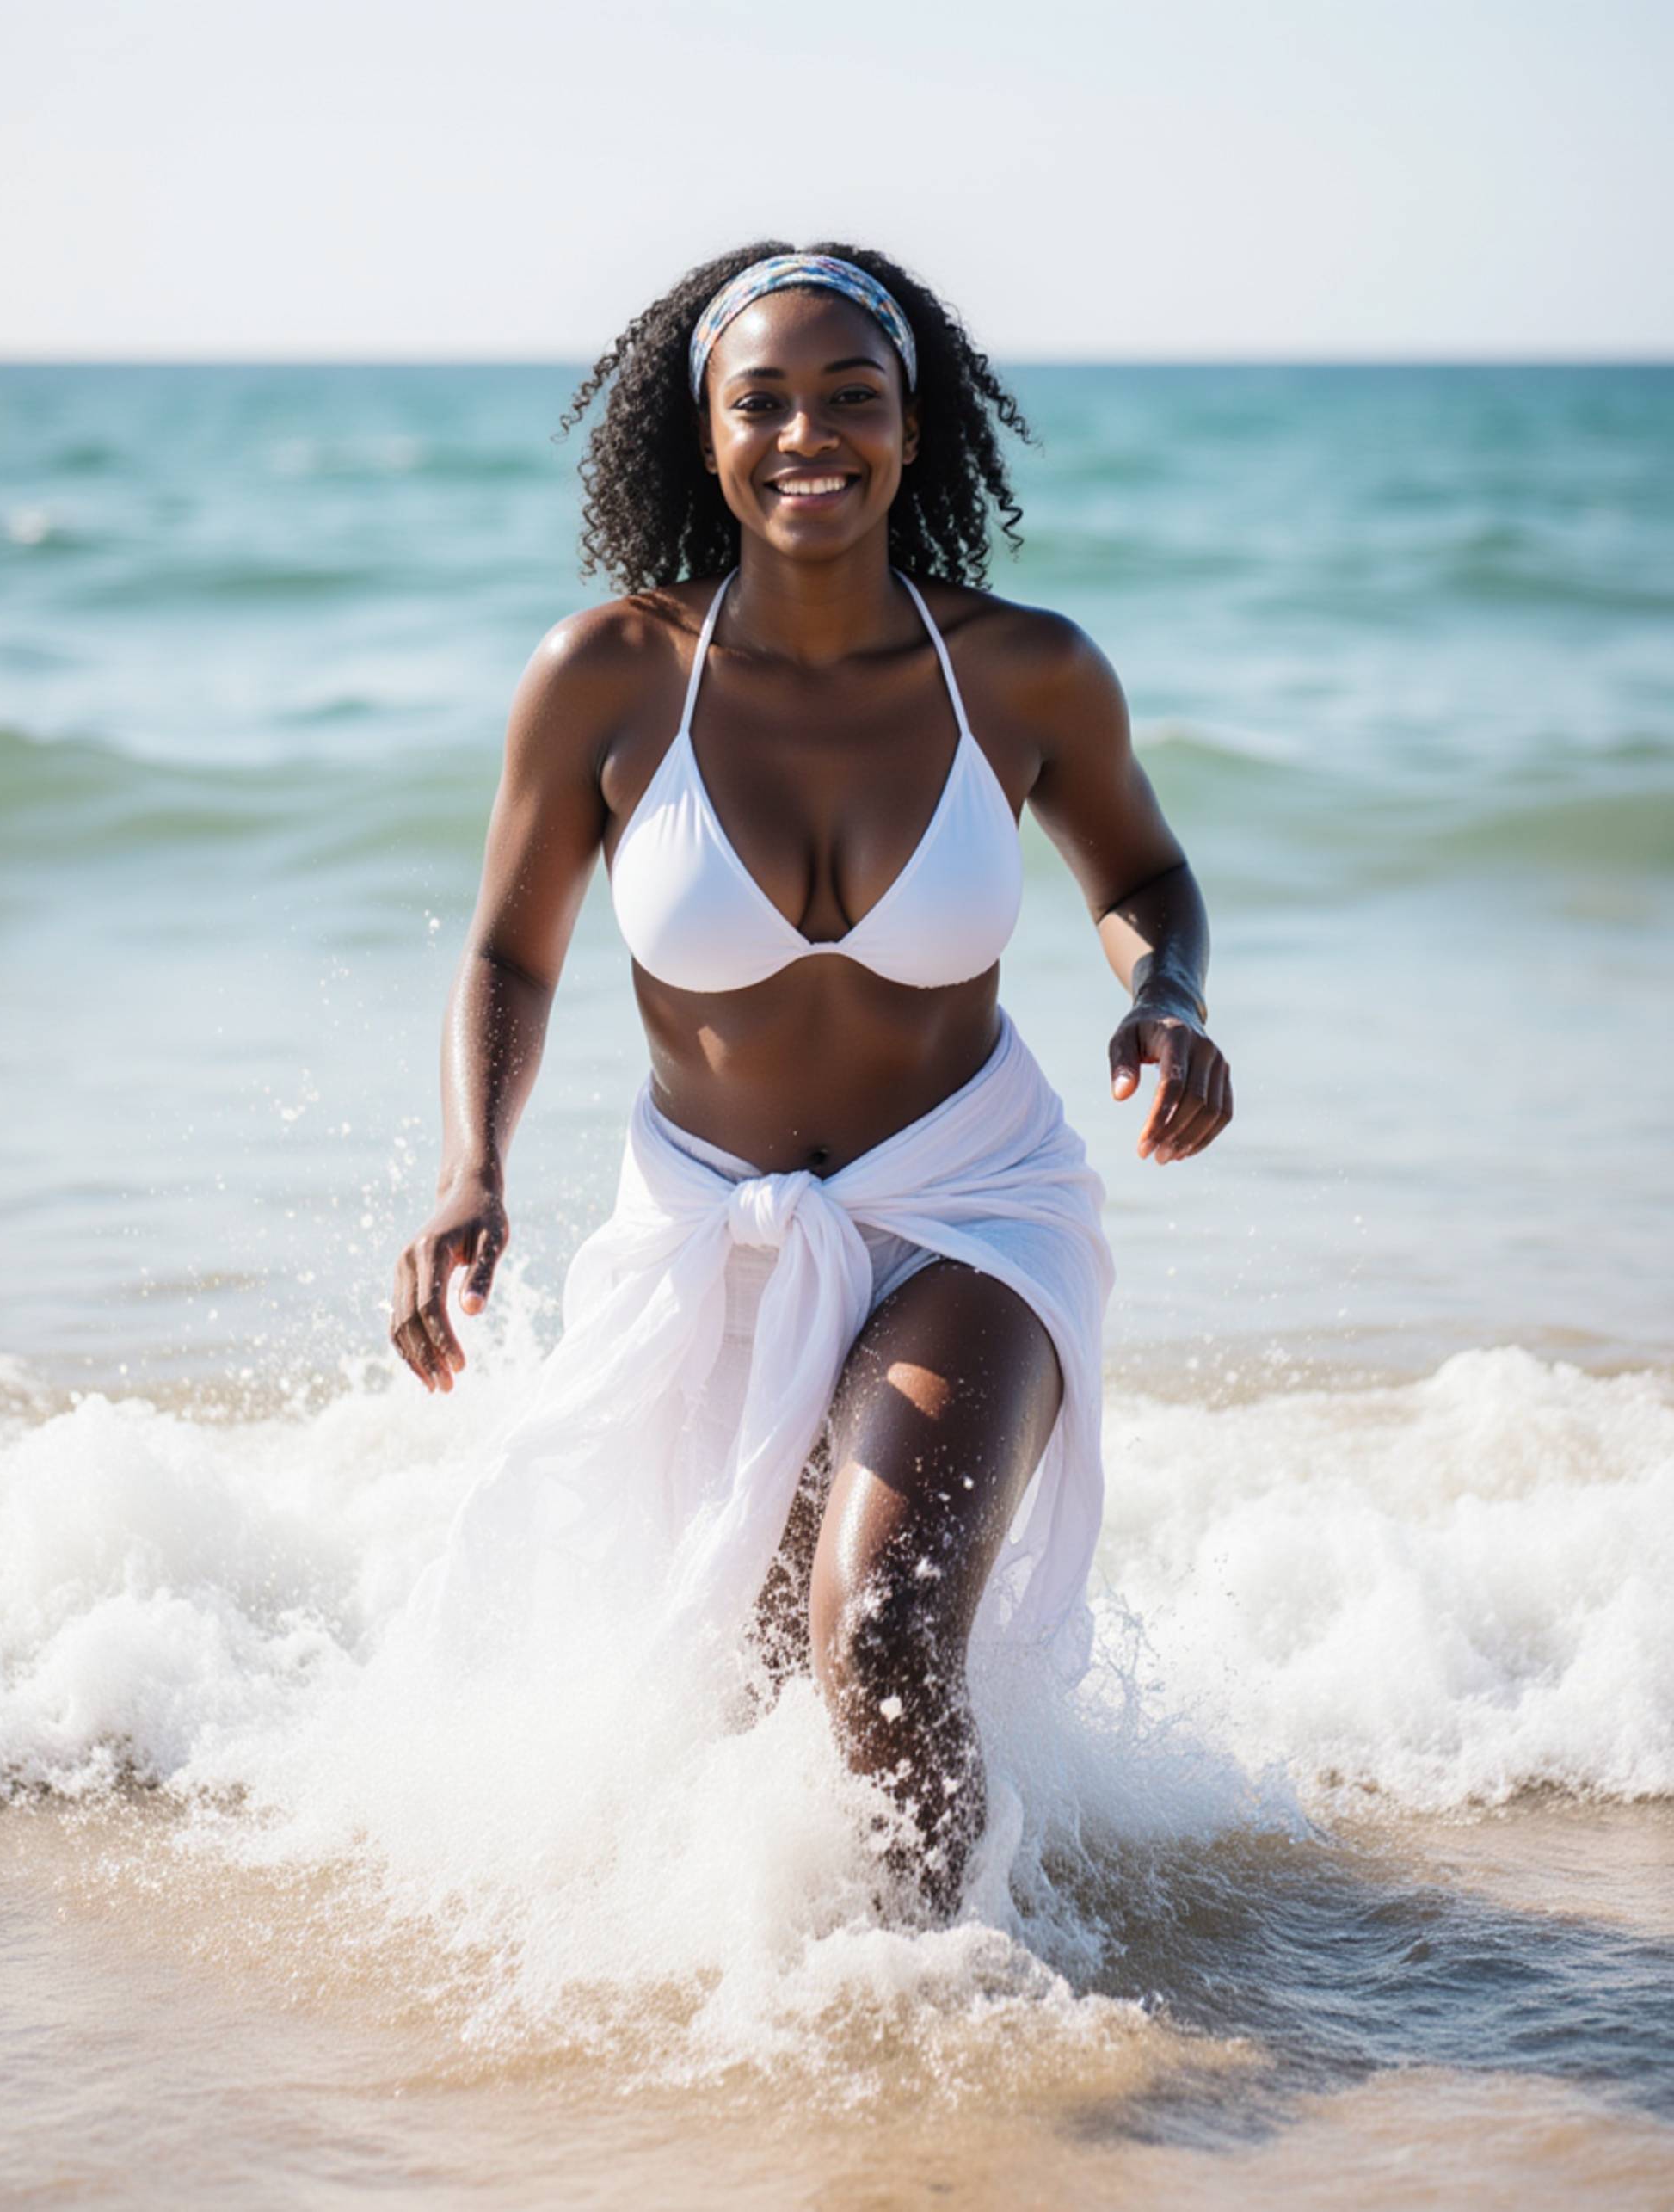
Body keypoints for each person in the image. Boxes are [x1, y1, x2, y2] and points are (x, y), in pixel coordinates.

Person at [390, 243, 1232, 1919]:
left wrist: (1172, 996)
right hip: (716, 1229)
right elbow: (508, 953)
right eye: (760, 400)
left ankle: (959, 2019)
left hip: (975, 1208)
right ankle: (791, 2018)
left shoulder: (1023, 670)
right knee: (760, 1672)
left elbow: (1141, 879)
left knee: (881, 1627)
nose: (807, 435)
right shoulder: (607, 678)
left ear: (913, 429)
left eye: (852, 397)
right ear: (701, 435)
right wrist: (470, 1170)